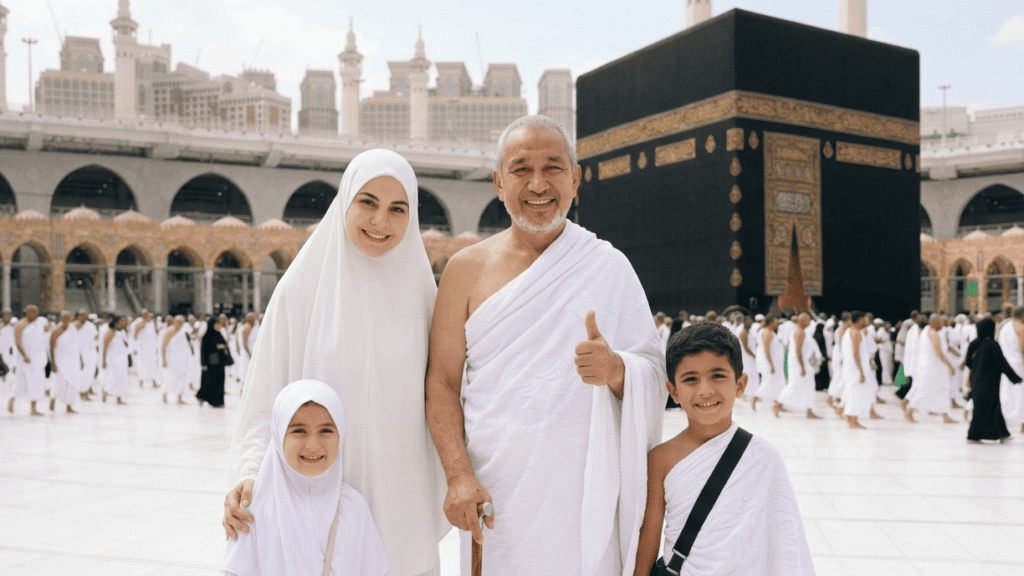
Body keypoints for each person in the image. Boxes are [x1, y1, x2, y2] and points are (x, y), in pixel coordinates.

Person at [425, 115, 666, 575]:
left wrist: (616, 370)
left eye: (553, 168)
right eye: (521, 169)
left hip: (584, 497)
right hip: (495, 493)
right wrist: (458, 477)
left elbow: (654, 371)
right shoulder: (465, 269)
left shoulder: (609, 266)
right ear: (498, 182)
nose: (538, 184)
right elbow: (441, 382)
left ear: (575, 179)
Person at [224, 149, 448, 576]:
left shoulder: (425, 300)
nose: (380, 221)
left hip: (401, 501)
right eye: (367, 202)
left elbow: (448, 397)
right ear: (345, 200)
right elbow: (263, 401)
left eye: (397, 208)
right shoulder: (300, 292)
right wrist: (247, 474)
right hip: (316, 497)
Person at [634, 323, 814, 575]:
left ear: (740, 385)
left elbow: (784, 540)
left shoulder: (764, 457)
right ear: (673, 391)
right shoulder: (662, 458)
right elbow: (648, 538)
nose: (705, 389)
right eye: (690, 379)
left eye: (718, 375)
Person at [222, 380, 388, 576]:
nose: (312, 444)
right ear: (279, 434)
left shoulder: (353, 507)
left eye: (326, 431)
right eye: (299, 431)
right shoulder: (256, 510)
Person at [964, 318, 1021, 442]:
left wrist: (977, 369)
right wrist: (1016, 378)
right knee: (990, 405)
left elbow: (968, 362)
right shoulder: (992, 344)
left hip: (976, 379)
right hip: (989, 381)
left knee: (984, 405)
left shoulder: (974, 343)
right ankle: (974, 434)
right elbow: (1002, 364)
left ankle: (1002, 434)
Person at [905, 314, 957, 423]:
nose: (943, 324)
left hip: (935, 367)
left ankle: (945, 415)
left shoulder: (927, 331)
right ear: (936, 322)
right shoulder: (932, 334)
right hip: (931, 368)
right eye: (941, 322)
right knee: (925, 391)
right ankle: (909, 411)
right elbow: (938, 352)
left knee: (942, 391)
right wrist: (950, 366)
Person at [775, 313, 821, 419]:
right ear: (802, 321)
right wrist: (802, 367)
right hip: (799, 364)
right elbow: (798, 351)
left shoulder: (801, 331)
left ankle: (809, 411)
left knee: (808, 386)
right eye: (808, 320)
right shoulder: (799, 332)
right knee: (794, 386)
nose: (809, 322)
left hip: (802, 363)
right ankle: (777, 405)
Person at [9, 305, 46, 416]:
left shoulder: (39, 323)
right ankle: (11, 401)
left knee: (37, 383)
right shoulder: (21, 324)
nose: (33, 314)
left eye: (35, 312)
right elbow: (17, 341)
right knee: (20, 382)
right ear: (26, 312)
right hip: (25, 358)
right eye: (30, 312)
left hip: (38, 358)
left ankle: (33, 408)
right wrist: (24, 355)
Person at [840, 311, 875, 429]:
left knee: (854, 392)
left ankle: (850, 417)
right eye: (864, 318)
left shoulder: (851, 331)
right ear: (860, 319)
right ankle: (853, 419)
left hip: (852, 367)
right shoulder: (855, 333)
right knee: (857, 393)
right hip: (856, 368)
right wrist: (861, 372)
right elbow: (856, 353)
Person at [48, 311, 80, 414]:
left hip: (73, 361)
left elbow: (76, 345)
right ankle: (52, 400)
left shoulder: (73, 329)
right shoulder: (56, 330)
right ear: (61, 319)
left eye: (68, 317)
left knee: (72, 383)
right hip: (60, 360)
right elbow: (51, 347)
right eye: (64, 318)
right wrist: (53, 362)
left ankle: (69, 406)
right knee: (59, 382)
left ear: (71, 319)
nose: (66, 320)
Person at [998, 306, 1024, 432]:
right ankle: (1021, 422)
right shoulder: (1020, 327)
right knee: (1020, 394)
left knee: (1006, 392)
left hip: (1005, 364)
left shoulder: (1004, 326)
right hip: (1018, 364)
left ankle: (1004, 418)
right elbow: (1023, 349)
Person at [753, 315, 783, 411]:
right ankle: (755, 398)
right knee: (768, 381)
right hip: (770, 362)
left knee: (778, 383)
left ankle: (778, 404)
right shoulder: (767, 333)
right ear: (771, 322)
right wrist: (770, 364)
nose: (777, 323)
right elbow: (766, 350)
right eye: (775, 321)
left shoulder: (771, 332)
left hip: (775, 362)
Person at [198, 317, 228, 408]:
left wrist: (222, 346)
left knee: (220, 381)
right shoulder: (206, 336)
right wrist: (203, 364)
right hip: (210, 364)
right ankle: (206, 398)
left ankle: (218, 401)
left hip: (220, 363)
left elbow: (225, 344)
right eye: (216, 325)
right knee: (210, 382)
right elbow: (203, 351)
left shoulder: (219, 335)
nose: (218, 326)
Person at [161, 315, 191, 405]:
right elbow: (164, 345)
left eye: (182, 322)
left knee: (182, 377)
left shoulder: (184, 331)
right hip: (172, 359)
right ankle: (165, 395)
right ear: (174, 322)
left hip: (182, 359)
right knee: (170, 377)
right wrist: (164, 359)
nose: (180, 324)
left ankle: (179, 398)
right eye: (178, 322)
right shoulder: (170, 331)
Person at [102, 316, 130, 404]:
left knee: (121, 378)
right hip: (113, 359)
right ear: (116, 323)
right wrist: (103, 360)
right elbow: (105, 347)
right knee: (112, 377)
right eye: (121, 322)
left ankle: (119, 398)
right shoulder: (110, 332)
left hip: (121, 358)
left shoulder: (121, 332)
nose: (123, 323)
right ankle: (105, 393)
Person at [134, 310, 159, 388]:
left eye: (146, 314)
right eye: (144, 315)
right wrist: (142, 325)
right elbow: (135, 335)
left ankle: (154, 382)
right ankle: (141, 381)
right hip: (142, 349)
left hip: (151, 348)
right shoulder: (139, 322)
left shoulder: (151, 323)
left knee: (153, 364)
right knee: (142, 364)